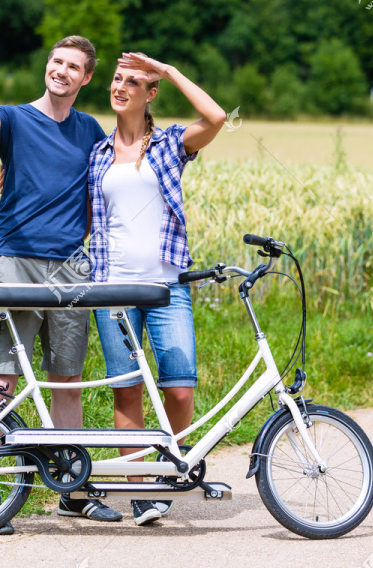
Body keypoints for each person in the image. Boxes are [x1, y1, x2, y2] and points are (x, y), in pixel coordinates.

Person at [0, 32, 123, 534]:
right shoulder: (15, 120)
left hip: (71, 269)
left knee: (66, 379)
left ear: (86, 78)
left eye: (73, 66)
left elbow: (109, 182)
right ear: (46, 66)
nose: (61, 71)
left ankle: (70, 487)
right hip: (14, 263)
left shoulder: (91, 130)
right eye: (56, 62)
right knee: (1, 380)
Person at [88, 52, 226, 525]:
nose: (120, 86)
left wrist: (166, 70)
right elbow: (83, 216)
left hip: (167, 288)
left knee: (180, 386)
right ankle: (141, 490)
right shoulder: (99, 154)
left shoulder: (169, 145)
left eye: (133, 82)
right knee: (127, 391)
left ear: (150, 95)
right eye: (116, 79)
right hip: (113, 291)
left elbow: (217, 117)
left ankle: (169, 470)